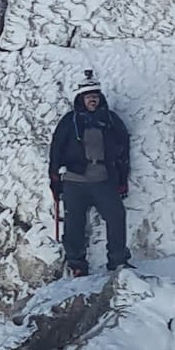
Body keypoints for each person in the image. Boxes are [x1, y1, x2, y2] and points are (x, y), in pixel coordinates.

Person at [48, 71, 132, 277]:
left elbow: (123, 149)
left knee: (116, 216)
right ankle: (77, 264)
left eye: (95, 96)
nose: (92, 100)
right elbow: (56, 148)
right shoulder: (69, 121)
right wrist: (54, 177)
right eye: (88, 97)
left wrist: (122, 179)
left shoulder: (111, 120)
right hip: (74, 181)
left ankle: (117, 260)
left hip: (103, 179)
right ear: (81, 99)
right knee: (74, 223)